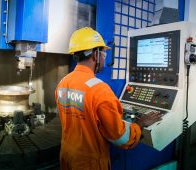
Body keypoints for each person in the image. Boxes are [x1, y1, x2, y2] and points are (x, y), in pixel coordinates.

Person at [55, 27, 162, 170]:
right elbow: (121, 138)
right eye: (104, 52)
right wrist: (140, 124)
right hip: (90, 163)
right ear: (95, 54)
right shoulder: (100, 90)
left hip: (67, 157)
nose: (104, 57)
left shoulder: (63, 83)